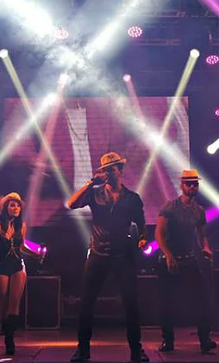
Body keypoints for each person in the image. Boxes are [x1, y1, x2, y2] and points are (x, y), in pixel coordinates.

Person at [67, 152, 149, 363]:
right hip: (98, 252)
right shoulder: (95, 193)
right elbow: (71, 204)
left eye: (111, 169)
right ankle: (82, 350)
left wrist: (142, 239)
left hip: (123, 254)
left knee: (131, 304)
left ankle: (136, 350)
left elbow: (141, 224)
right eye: (104, 169)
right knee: (86, 303)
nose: (107, 173)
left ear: (120, 171)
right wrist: (90, 182)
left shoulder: (132, 198)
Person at [154, 169, 217, 354]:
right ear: (181, 186)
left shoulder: (199, 211)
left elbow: (202, 234)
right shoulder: (170, 207)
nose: (192, 187)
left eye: (195, 184)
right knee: (167, 302)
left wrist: (206, 247)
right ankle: (168, 341)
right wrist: (168, 255)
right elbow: (159, 233)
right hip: (169, 260)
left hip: (188, 259)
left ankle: (205, 340)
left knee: (201, 300)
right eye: (188, 184)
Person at [0, 192, 40, 355]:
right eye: (12, 205)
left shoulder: (22, 226)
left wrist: (35, 254)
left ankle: (10, 338)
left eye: (18, 206)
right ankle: (5, 331)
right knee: (4, 302)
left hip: (17, 265)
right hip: (1, 265)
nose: (15, 208)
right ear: (6, 208)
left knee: (14, 303)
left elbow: (22, 247)